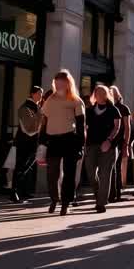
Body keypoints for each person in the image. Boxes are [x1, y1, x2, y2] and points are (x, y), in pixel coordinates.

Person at [40, 70, 85, 215]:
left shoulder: (76, 100)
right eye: (56, 81)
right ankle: (54, 199)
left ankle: (65, 203)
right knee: (52, 173)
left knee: (69, 174)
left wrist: (80, 146)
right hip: (53, 140)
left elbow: (80, 125)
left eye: (61, 81)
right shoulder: (50, 100)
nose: (58, 83)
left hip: (70, 139)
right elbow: (44, 122)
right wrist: (42, 143)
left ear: (67, 82)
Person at [83, 85, 122, 213]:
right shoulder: (89, 110)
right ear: (94, 95)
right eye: (97, 93)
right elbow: (84, 127)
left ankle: (100, 203)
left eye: (102, 93)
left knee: (105, 175)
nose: (100, 95)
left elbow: (117, 127)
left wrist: (109, 140)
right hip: (91, 145)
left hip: (108, 147)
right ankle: (99, 196)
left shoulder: (113, 110)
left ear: (106, 95)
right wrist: (84, 142)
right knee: (90, 173)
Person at [11, 86, 44, 203]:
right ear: (32, 94)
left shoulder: (38, 108)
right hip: (24, 142)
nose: (41, 96)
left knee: (28, 167)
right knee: (20, 167)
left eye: (41, 94)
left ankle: (23, 191)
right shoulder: (25, 108)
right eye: (39, 93)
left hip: (33, 143)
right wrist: (40, 116)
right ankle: (14, 192)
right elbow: (29, 129)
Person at [109, 86, 132, 203]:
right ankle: (110, 193)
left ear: (117, 96)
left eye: (112, 94)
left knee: (116, 167)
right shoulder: (108, 107)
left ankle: (116, 194)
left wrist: (126, 145)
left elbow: (127, 127)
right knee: (109, 168)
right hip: (108, 141)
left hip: (119, 142)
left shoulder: (124, 108)